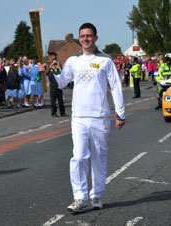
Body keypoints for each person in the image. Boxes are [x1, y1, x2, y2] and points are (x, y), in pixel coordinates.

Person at [47, 22, 125, 212]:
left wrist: (120, 113)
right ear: (79, 38)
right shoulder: (73, 61)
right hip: (79, 117)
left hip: (99, 118)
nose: (85, 39)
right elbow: (61, 82)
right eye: (82, 36)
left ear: (95, 38)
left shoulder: (105, 60)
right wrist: (48, 72)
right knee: (79, 157)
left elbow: (115, 87)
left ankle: (96, 195)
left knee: (99, 158)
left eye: (89, 36)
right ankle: (79, 197)